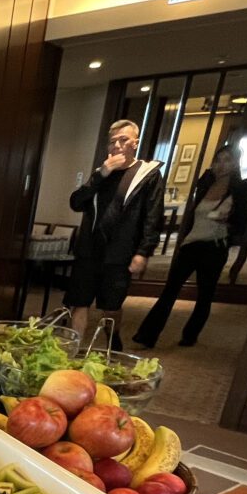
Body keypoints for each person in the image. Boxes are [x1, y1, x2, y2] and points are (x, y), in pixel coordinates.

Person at [132, 146, 247, 349]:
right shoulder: (205, 184)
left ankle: (190, 335)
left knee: (205, 295)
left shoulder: (239, 189)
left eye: (227, 160)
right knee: (170, 290)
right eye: (218, 159)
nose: (221, 164)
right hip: (190, 244)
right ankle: (147, 335)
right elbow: (193, 215)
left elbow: (242, 223)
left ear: (236, 163)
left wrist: (227, 221)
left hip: (214, 247)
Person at [66, 119, 165, 348]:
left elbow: (153, 216)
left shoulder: (148, 175)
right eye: (113, 141)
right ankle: (73, 350)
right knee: (79, 303)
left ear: (135, 143)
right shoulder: (101, 173)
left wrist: (143, 252)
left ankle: (113, 343)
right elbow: (76, 203)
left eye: (123, 140)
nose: (117, 145)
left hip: (120, 253)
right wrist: (101, 175)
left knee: (110, 306)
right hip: (89, 250)